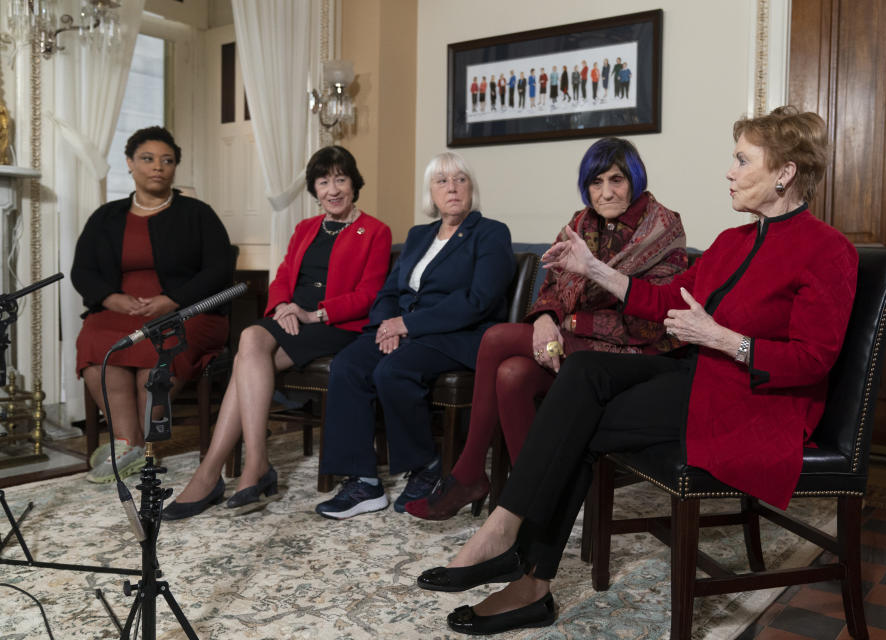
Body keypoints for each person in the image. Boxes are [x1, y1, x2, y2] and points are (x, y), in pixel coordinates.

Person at [417, 107, 858, 635]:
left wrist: (722, 338)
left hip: (754, 404)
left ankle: (525, 571)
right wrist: (592, 267)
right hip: (704, 379)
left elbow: (814, 360)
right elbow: (667, 297)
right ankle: (507, 535)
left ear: (784, 172)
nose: (730, 171)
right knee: (581, 376)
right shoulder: (734, 241)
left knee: (576, 419)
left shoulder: (828, 250)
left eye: (742, 160)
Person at [406, 137, 687, 522]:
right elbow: (552, 285)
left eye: (616, 180)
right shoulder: (580, 222)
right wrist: (543, 320)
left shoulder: (663, 227)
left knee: (495, 338)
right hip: (574, 346)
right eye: (596, 182)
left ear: (634, 180)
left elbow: (654, 319)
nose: (605, 192)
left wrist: (570, 323)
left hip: (634, 357)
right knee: (510, 374)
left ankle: (469, 473)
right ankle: (538, 498)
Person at [160, 146, 392, 520]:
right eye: (323, 181)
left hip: (334, 325)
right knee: (251, 345)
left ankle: (217, 472)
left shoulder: (375, 231)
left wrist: (313, 314)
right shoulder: (305, 229)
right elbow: (283, 277)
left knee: (246, 352)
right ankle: (251, 467)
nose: (332, 189)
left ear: (354, 184)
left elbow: (368, 295)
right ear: (314, 190)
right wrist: (283, 307)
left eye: (340, 179)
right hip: (291, 319)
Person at [314, 151, 515, 520]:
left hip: (459, 335)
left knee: (392, 371)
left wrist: (408, 325)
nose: (451, 188)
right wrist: (388, 325)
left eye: (460, 180)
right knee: (347, 365)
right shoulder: (419, 235)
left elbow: (478, 301)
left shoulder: (490, 233)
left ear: (472, 188)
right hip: (405, 331)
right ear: (431, 193)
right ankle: (363, 481)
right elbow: (390, 291)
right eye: (441, 181)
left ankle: (425, 467)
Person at [72, 126, 233, 483]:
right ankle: (128, 442)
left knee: (155, 357)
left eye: (167, 160)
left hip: (189, 312)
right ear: (129, 163)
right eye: (147, 159)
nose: (157, 167)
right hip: (119, 311)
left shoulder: (198, 214)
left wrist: (172, 300)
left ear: (175, 167)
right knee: (98, 345)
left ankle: (143, 448)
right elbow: (82, 270)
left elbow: (220, 269)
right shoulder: (106, 217)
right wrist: (111, 298)